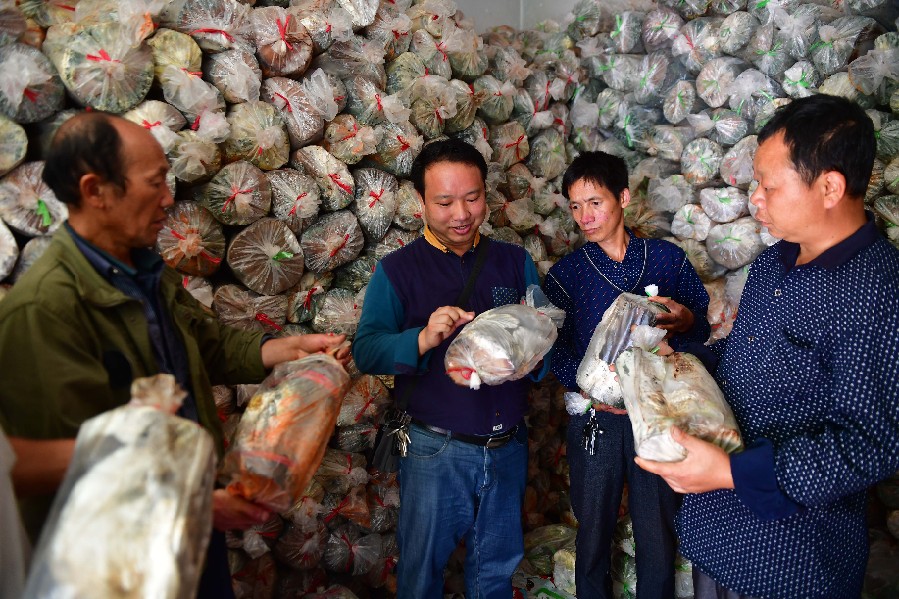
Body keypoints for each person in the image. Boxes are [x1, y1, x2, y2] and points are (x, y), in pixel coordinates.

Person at [0, 111, 348, 596]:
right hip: (118, 565)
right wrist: (195, 503)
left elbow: (201, 343)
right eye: (155, 182)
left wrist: (286, 348)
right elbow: (58, 470)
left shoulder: (144, 269)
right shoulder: (45, 310)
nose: (169, 198)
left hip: (187, 530)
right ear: (95, 191)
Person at [636, 94, 899, 598]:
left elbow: (870, 444)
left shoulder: (877, 291)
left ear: (829, 187)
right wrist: (676, 364)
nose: (755, 199)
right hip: (718, 534)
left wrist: (732, 471)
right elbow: (743, 358)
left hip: (791, 561)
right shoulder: (772, 265)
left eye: (769, 186)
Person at [352, 138, 548, 599]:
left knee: (495, 573)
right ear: (420, 202)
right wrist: (422, 338)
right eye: (444, 202)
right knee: (421, 575)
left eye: (472, 198)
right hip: (435, 450)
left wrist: (529, 355)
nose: (461, 214)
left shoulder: (513, 261)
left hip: (508, 446)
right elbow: (367, 350)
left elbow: (543, 334)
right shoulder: (397, 271)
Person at [542, 151, 710, 598]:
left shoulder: (666, 260)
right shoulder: (567, 275)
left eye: (595, 202)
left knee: (657, 532)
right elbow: (553, 346)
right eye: (575, 206)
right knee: (592, 531)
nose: (585, 216)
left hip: (655, 417)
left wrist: (685, 321)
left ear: (623, 197)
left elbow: (701, 326)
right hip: (596, 421)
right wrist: (587, 384)